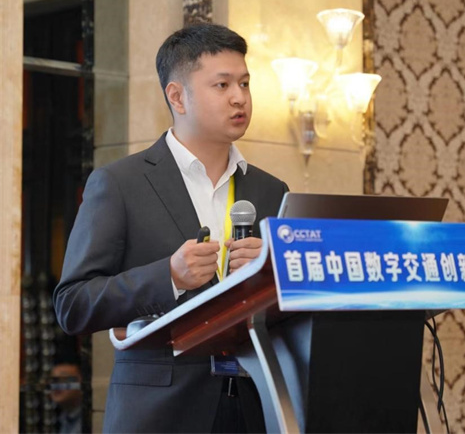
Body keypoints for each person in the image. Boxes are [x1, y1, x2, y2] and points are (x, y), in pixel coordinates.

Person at [53, 23, 289, 433]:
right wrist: (169, 276)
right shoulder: (120, 183)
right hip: (159, 413)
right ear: (177, 96)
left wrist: (274, 272)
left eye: (245, 83)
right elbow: (72, 304)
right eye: (222, 85)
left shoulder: (272, 190)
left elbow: (287, 315)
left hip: (255, 409)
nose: (239, 97)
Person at [48, 362, 83, 434]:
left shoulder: (88, 421)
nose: (57, 385)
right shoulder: (63, 419)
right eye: (53, 380)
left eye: (64, 379)